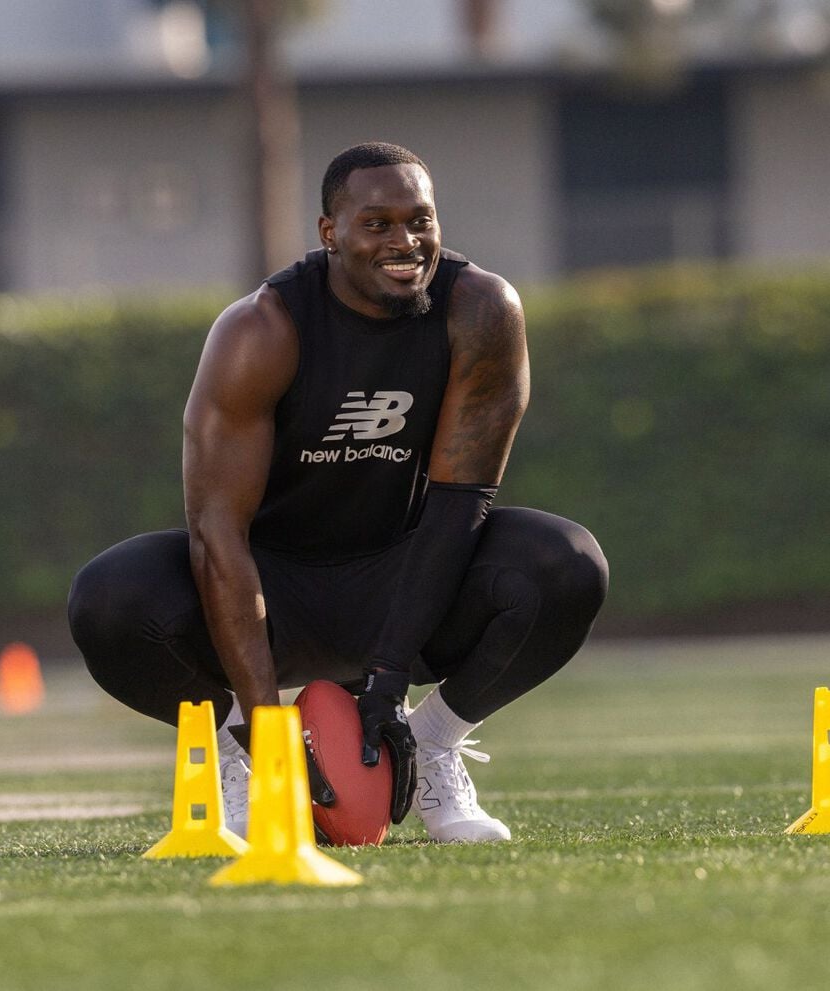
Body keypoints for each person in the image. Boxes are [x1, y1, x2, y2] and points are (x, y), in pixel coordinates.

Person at [68, 142, 608, 843]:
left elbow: (457, 507)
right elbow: (217, 533)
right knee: (110, 598)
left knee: (564, 563)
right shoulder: (261, 329)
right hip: (273, 586)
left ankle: (437, 743)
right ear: (330, 233)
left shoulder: (478, 309)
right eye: (376, 224)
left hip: (405, 571)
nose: (404, 241)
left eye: (419, 220)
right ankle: (239, 759)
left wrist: (388, 677)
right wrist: (267, 734)